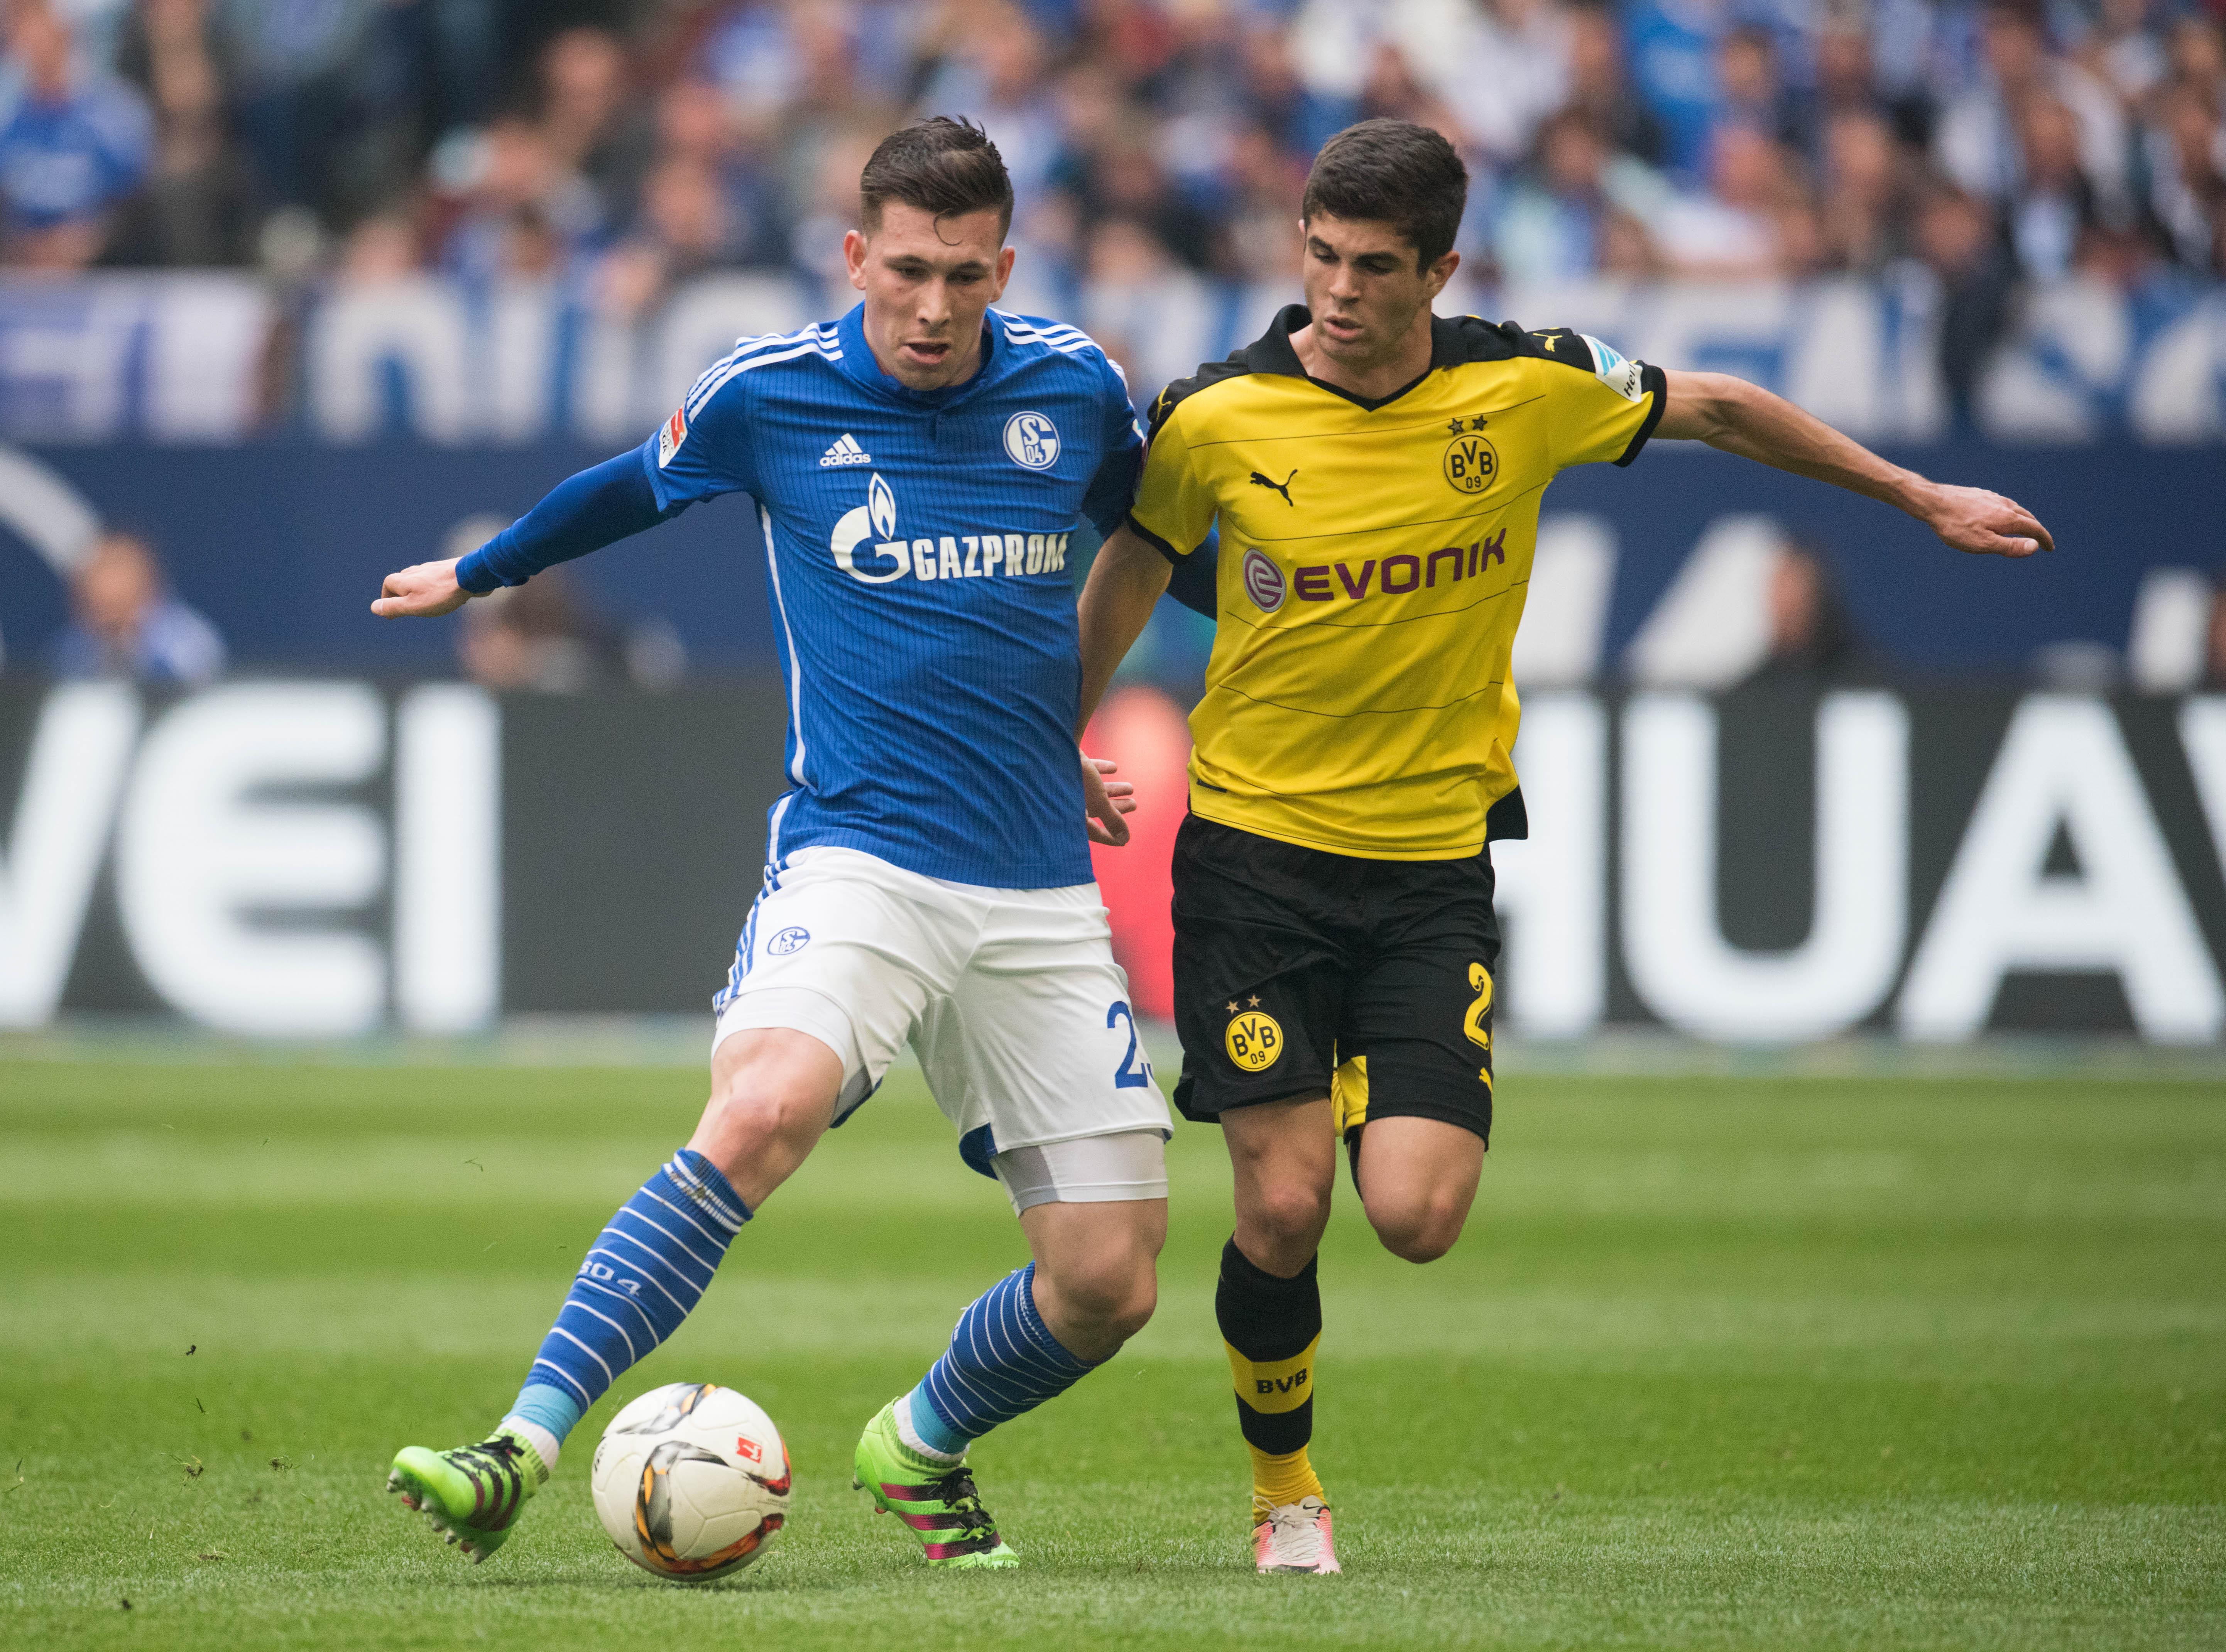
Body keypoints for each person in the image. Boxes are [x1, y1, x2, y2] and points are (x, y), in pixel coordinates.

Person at [1074, 117, 2053, 1576]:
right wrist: (1054, 731)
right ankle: (1287, 1491)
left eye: (1375, 267)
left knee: (1413, 1215)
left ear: (1441, 267)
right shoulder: (1216, 417)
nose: (1338, 293)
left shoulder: (1524, 388)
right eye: (1320, 257)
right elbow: (1135, 560)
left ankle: (1352, 1067)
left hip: (1428, 869)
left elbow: (1716, 406)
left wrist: (1915, 497)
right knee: (1282, 1207)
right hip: (1255, 855)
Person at [369, 116, 1172, 1571]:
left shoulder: (1076, 387)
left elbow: (1153, 529)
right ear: (855, 254)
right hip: (858, 855)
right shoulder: (771, 395)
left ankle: (919, 1438)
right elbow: (631, 483)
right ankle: (518, 1446)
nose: (935, 310)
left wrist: (1059, 714)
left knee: (1111, 1282)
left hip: (1038, 881)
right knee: (760, 1108)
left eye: (966, 278)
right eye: (908, 272)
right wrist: (486, 573)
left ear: (1006, 265)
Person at [49, 529, 225, 686]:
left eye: (115, 569)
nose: (102, 586)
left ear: (145, 583)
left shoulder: (189, 649)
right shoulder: (73, 647)